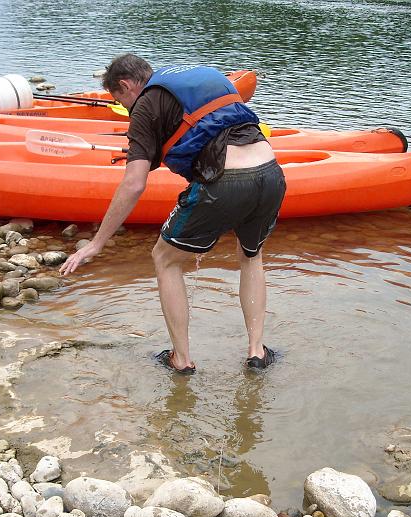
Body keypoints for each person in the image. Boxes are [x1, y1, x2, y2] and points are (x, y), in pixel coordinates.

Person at [59, 54, 286, 374]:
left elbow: (134, 184)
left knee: (165, 258)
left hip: (227, 181)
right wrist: (196, 239)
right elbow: (208, 136)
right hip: (271, 174)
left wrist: (96, 243)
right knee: (251, 256)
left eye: (119, 100)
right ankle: (256, 351)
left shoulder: (144, 108)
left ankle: (181, 359)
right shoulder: (205, 75)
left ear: (125, 86)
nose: (124, 108)